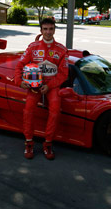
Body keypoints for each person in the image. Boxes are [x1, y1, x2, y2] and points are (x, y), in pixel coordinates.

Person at [14, 18, 69, 160]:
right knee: (28, 110)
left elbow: (64, 73)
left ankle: (48, 143)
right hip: (34, 85)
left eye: (51, 29)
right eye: (45, 29)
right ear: (41, 30)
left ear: (54, 30)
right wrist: (19, 81)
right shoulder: (32, 47)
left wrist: (50, 86)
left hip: (52, 84)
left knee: (56, 110)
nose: (48, 32)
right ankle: (29, 142)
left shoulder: (62, 49)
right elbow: (20, 65)